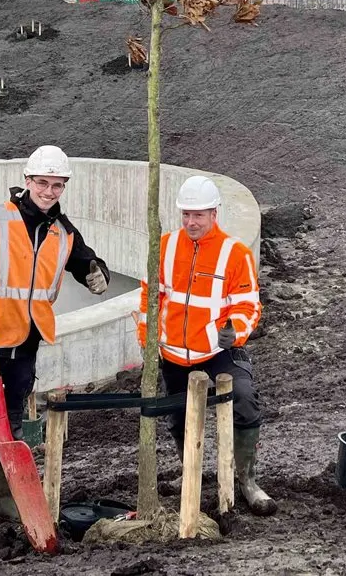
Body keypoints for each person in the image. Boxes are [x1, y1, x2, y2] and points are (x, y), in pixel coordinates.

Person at [0, 145, 111, 534]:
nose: (48, 191)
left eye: (57, 185)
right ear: (27, 182)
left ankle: (6, 499)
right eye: (42, 183)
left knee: (8, 427)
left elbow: (89, 263)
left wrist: (99, 274)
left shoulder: (63, 232)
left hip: (25, 343)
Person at [136, 174, 277, 515]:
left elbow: (248, 305)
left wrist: (234, 332)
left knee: (243, 398)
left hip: (217, 352)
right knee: (178, 418)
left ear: (215, 213)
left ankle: (245, 480)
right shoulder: (166, 247)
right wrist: (147, 342)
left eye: (198, 215)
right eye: (186, 214)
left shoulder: (234, 254)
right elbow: (148, 299)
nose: (191, 222)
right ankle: (192, 475)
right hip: (173, 355)